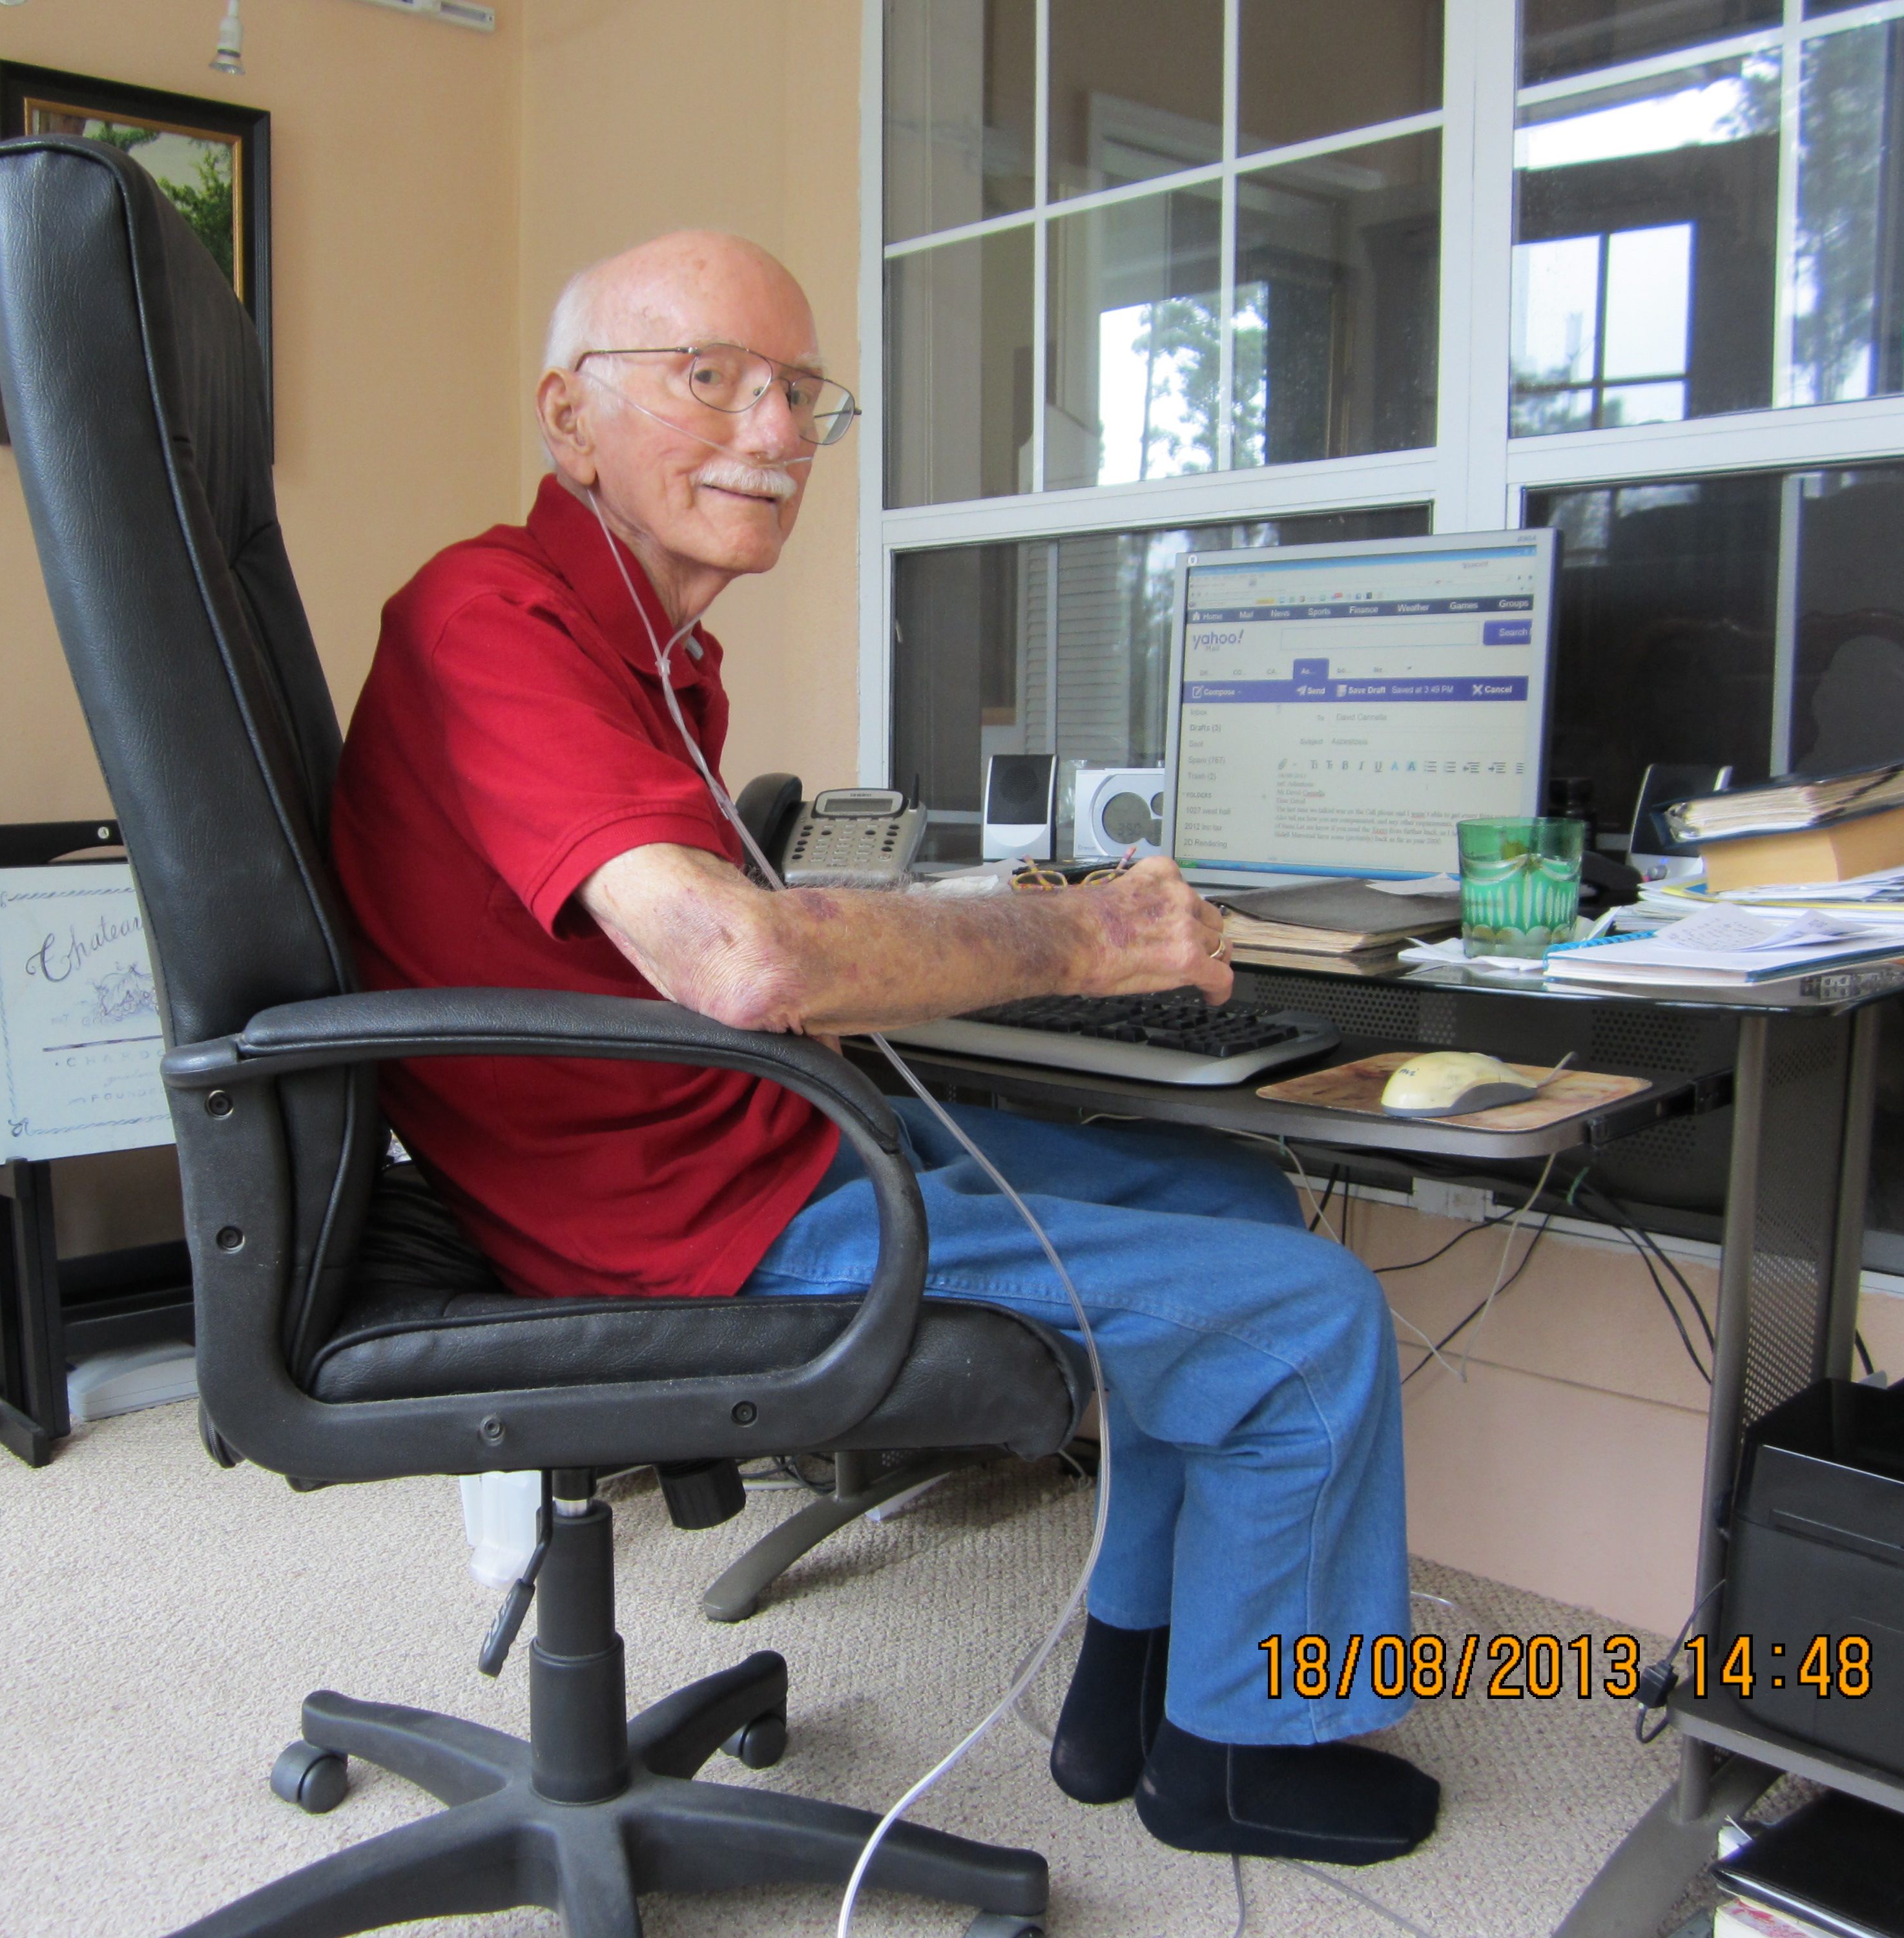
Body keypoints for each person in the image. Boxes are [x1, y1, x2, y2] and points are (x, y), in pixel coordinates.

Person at [328, 230, 1439, 1867]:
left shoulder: (653, 654)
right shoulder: (488, 618)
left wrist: (956, 933)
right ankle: (1246, 1761)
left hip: (754, 1140)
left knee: (1238, 1203)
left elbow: (712, 947)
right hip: (691, 1227)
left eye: (799, 392)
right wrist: (1081, 936)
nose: (774, 430)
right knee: (1311, 1315)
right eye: (708, 377)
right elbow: (739, 958)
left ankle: (1130, 1686)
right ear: (568, 417)